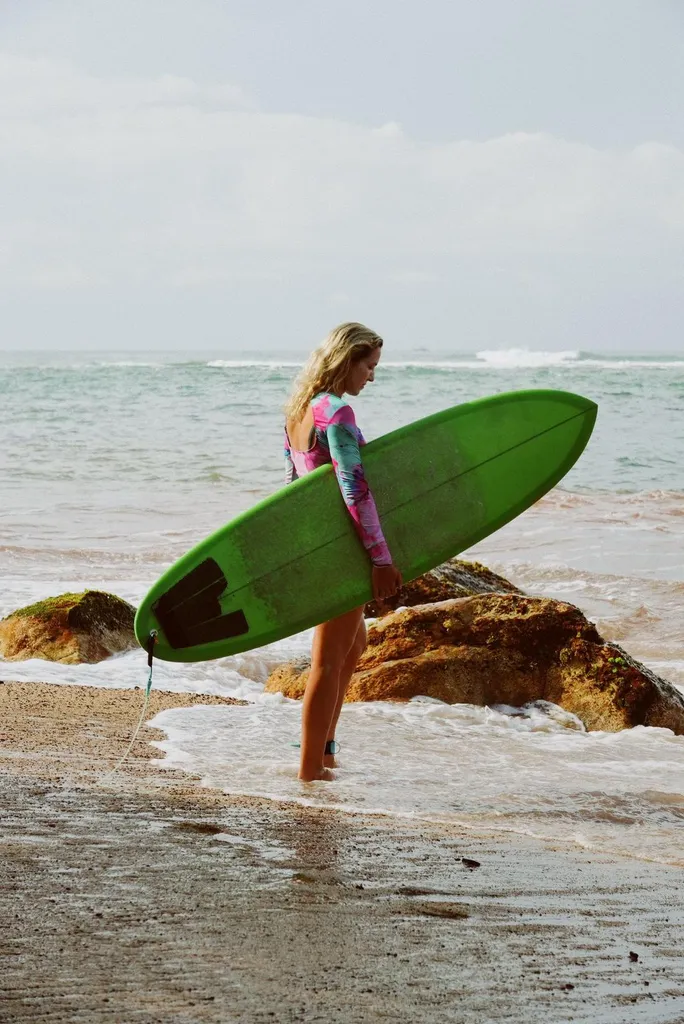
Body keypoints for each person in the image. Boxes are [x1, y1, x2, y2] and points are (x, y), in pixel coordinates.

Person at [284, 322, 402, 782]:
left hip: (321, 543)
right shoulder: (336, 413)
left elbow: (294, 488)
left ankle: (326, 750)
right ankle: (311, 770)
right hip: (344, 547)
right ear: (347, 360)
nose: (371, 376)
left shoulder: (298, 411)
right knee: (328, 660)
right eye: (369, 366)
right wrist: (381, 559)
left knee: (356, 644)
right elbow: (354, 490)